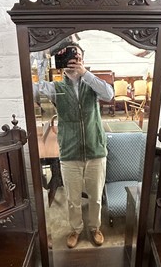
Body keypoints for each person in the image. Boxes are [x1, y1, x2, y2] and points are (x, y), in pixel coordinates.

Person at [35, 43, 114, 248]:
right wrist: (43, 60)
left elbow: (109, 94)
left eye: (77, 57)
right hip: (70, 152)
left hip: (95, 150)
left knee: (96, 196)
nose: (73, 61)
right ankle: (75, 229)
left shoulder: (92, 84)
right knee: (72, 198)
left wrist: (85, 73)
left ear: (83, 60)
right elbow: (35, 88)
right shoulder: (57, 88)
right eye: (69, 57)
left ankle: (94, 227)